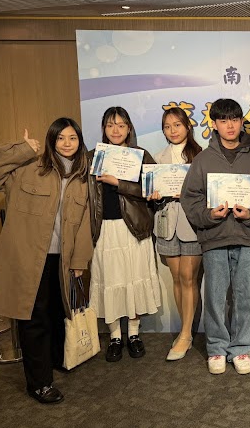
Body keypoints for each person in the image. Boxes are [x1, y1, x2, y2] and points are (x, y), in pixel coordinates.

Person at [0, 119, 93, 404]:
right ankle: (39, 383)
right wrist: (22, 149)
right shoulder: (28, 168)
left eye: (72, 138)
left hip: (61, 259)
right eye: (60, 137)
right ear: (51, 140)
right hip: (29, 260)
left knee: (56, 313)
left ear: (80, 142)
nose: (67, 143)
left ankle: (55, 359)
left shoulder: (82, 177)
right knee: (33, 319)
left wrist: (79, 260)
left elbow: (84, 224)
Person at [181, 98, 250, 375]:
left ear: (241, 121)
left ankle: (241, 347)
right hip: (215, 237)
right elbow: (190, 198)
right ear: (214, 124)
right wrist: (209, 215)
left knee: (246, 296)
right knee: (215, 296)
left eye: (234, 119)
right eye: (223, 120)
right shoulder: (203, 159)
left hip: (247, 237)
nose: (230, 125)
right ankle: (217, 348)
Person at [87, 106, 161, 362]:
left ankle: (134, 333)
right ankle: (115, 336)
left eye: (121, 125)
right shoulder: (93, 157)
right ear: (103, 129)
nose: (115, 130)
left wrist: (118, 183)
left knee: (133, 278)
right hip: (104, 230)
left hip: (134, 228)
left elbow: (151, 189)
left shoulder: (140, 155)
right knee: (111, 280)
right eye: (110, 125)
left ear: (129, 128)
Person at [149, 107, 203, 361]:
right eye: (167, 126)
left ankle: (185, 334)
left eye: (177, 125)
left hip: (192, 224)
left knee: (189, 278)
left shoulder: (200, 156)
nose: (172, 130)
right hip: (166, 222)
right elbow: (151, 193)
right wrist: (154, 195)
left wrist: (189, 194)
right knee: (177, 278)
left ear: (187, 127)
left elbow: (209, 191)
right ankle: (186, 330)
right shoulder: (157, 158)